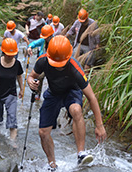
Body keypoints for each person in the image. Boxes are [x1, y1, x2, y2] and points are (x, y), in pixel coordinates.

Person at [27, 35, 107, 170]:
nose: (58, 67)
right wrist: (30, 82)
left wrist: (99, 125)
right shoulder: (43, 61)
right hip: (53, 93)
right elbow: (31, 76)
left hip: (72, 92)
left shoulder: (75, 67)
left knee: (76, 110)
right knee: (43, 132)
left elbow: (91, 97)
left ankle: (81, 154)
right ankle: (52, 165)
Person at [27, 25, 54, 100]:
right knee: (39, 77)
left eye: (46, 37)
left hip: (53, 64)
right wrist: (30, 47)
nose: (45, 38)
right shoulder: (43, 40)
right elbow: (35, 43)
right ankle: (37, 94)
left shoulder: (55, 41)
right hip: (43, 62)